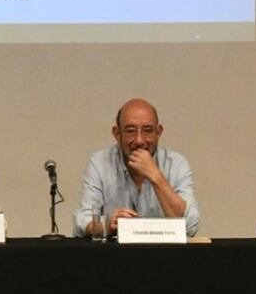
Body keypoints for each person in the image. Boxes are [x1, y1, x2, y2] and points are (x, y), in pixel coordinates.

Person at [73, 98, 200, 238]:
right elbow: (82, 221)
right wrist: (106, 226)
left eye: (147, 131)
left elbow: (190, 227)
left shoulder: (176, 164)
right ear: (117, 134)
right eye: (130, 131)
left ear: (158, 133)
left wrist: (156, 176)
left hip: (163, 256)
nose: (139, 140)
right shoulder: (100, 163)